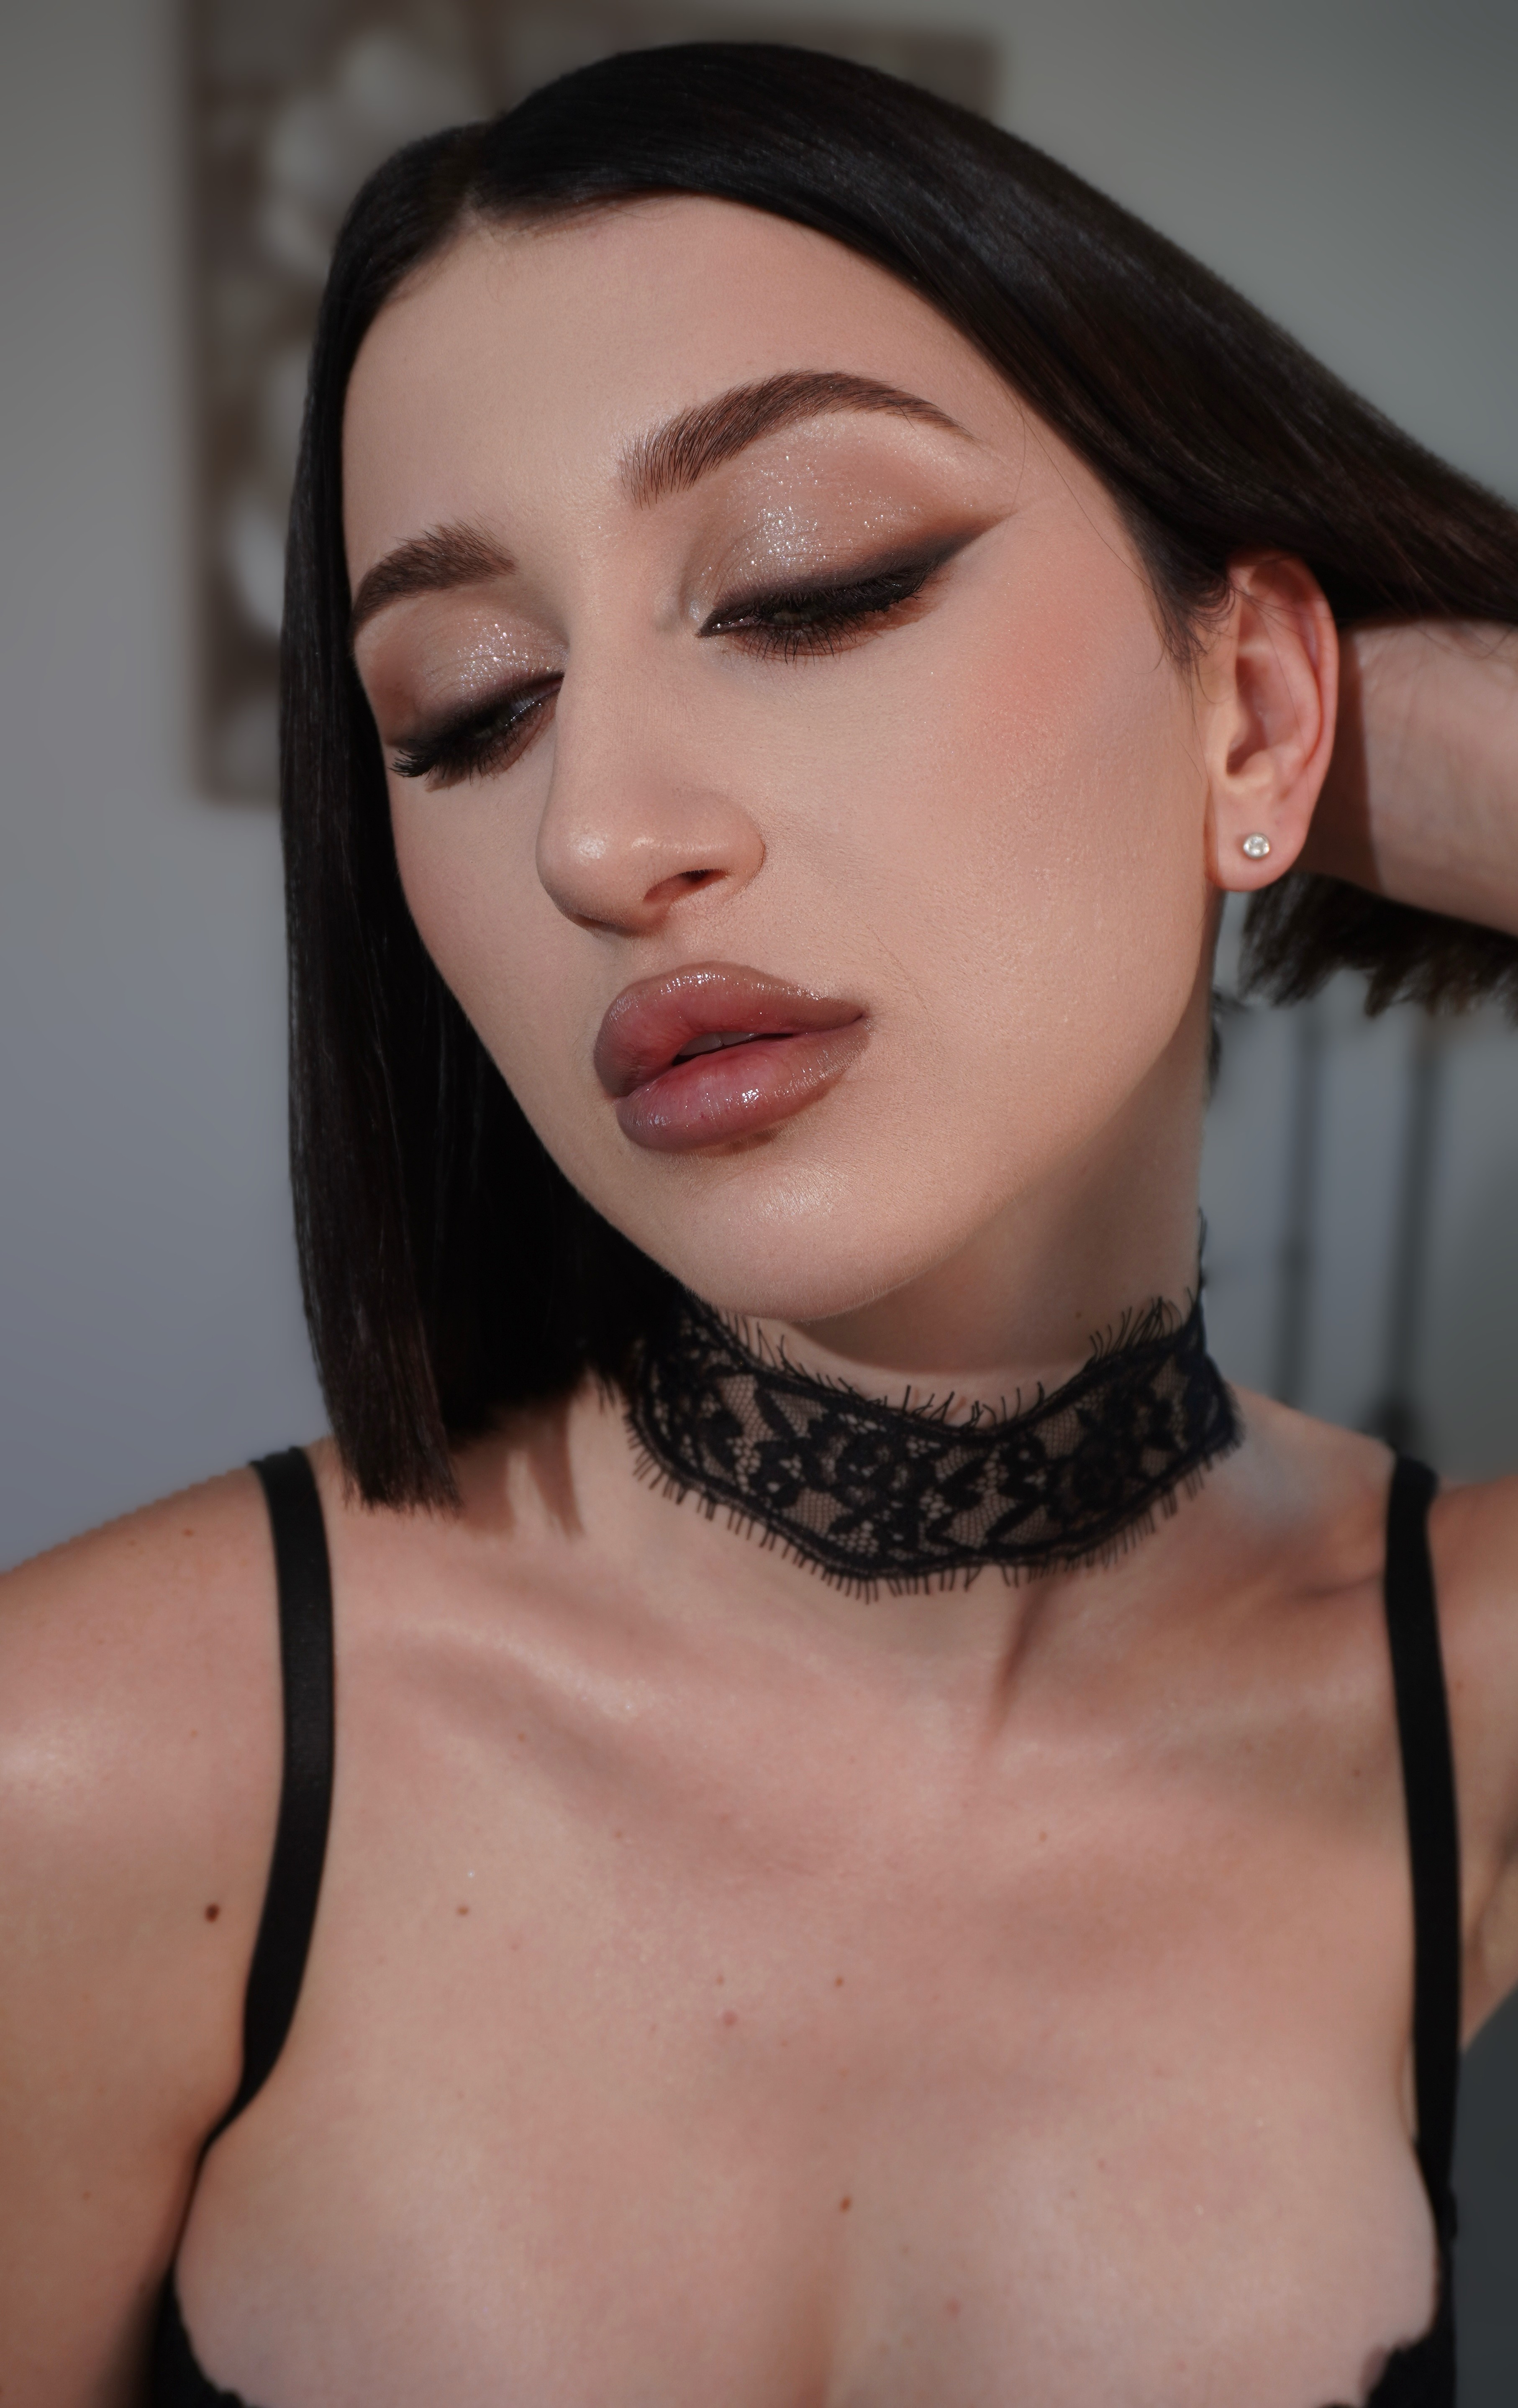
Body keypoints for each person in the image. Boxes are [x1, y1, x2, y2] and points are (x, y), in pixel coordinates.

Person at [3, 42, 1517, 2408]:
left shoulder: (1479, 1708)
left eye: (814, 586)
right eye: (470, 710)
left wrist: (1360, 752)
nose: (598, 835)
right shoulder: (91, 1770)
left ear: (1250, 710)